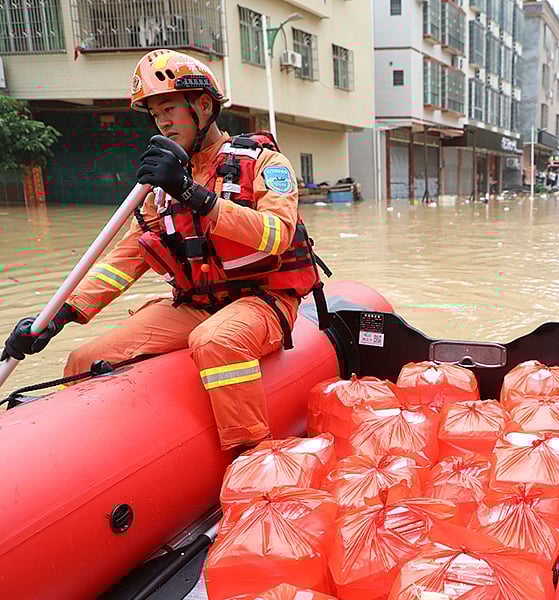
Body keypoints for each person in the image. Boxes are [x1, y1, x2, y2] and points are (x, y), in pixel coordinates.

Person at [2, 49, 326, 450]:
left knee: (216, 342)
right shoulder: (162, 186)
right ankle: (85, 454)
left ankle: (253, 454)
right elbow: (127, 259)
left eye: (170, 108)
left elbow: (276, 234)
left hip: (262, 301)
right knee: (86, 357)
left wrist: (195, 195)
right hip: (196, 304)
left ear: (203, 105)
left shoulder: (265, 163)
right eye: (156, 114)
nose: (163, 122)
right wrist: (61, 314)